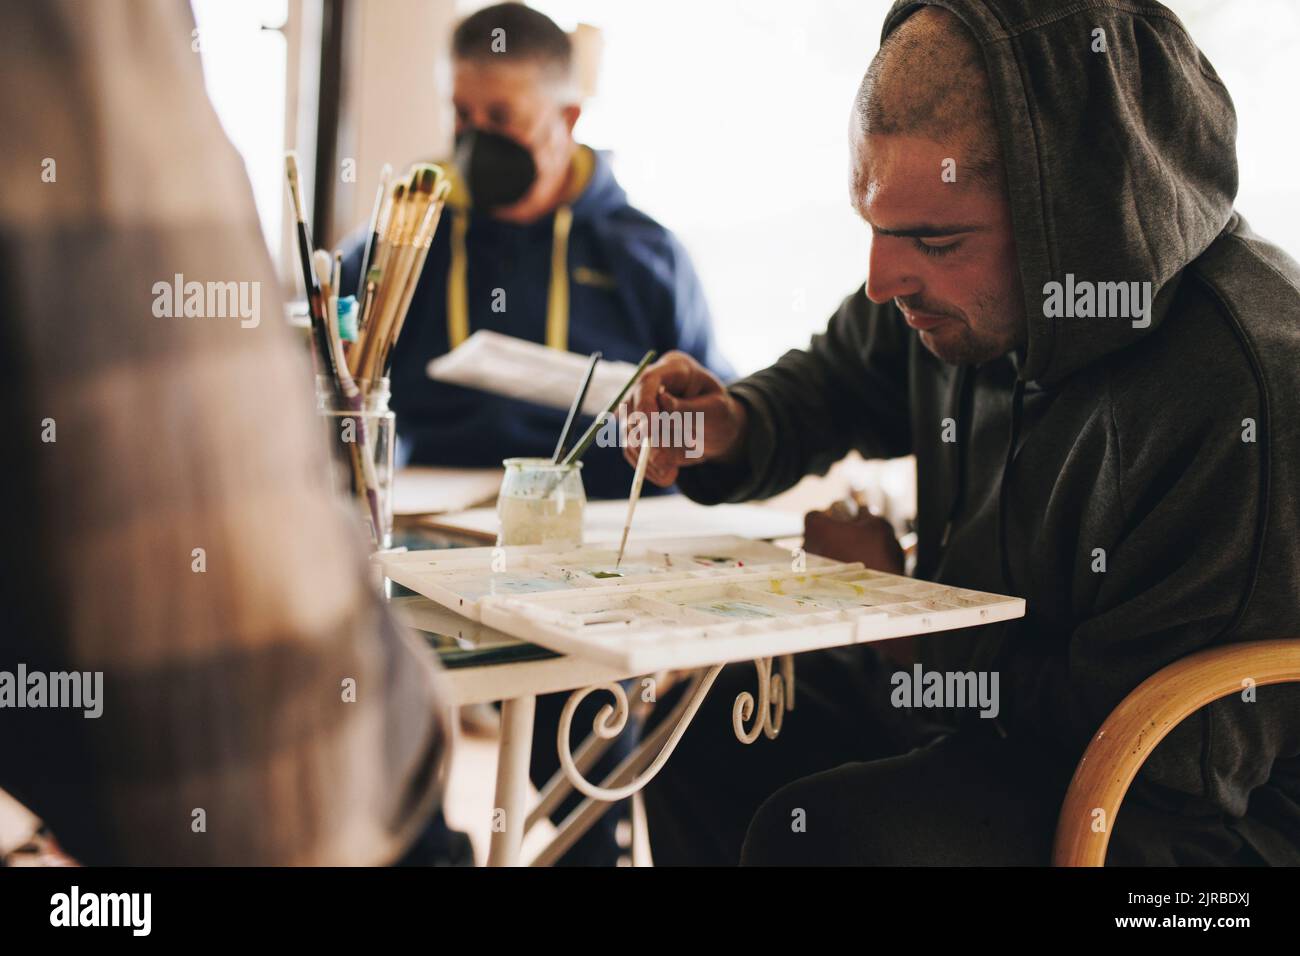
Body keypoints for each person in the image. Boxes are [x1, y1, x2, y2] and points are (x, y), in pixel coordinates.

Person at [626, 0, 1300, 865]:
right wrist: (732, 424)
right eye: (874, 227)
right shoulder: (956, 300)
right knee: (704, 735)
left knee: (835, 839)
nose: (881, 280)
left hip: (1197, 824)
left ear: (1078, 221)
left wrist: (898, 616)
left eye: (933, 238)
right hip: (979, 704)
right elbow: (834, 380)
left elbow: (1165, 749)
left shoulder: (1246, 385)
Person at [0, 0, 446, 865]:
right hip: (294, 779)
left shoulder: (639, 256)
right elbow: (263, 787)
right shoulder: (78, 58)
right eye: (461, 112)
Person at [340, 2, 732, 502]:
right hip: (434, 520)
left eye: (501, 118)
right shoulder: (404, 237)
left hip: (609, 524)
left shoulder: (645, 254)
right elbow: (328, 348)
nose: (476, 136)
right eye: (462, 114)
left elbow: (710, 411)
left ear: (568, 118)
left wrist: (681, 434)